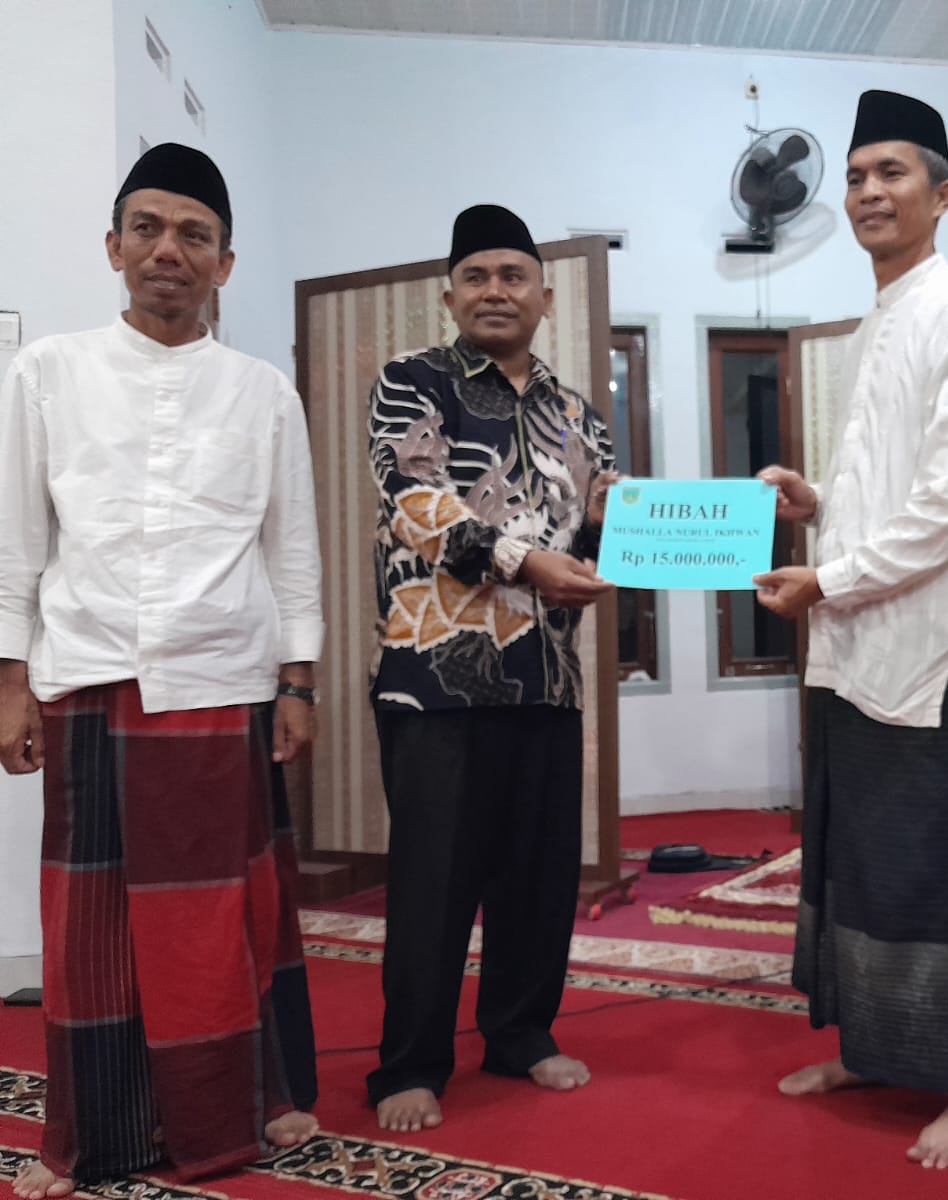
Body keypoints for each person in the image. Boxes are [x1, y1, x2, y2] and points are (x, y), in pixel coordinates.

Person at [0, 143, 323, 1195]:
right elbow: (17, 541)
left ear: (225, 263)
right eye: (147, 228)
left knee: (223, 920)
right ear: (113, 246)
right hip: (88, 677)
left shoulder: (263, 392)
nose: (168, 251)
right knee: (91, 931)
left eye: (194, 235)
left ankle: (245, 1107)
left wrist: (299, 681)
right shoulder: (47, 373)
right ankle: (92, 1136)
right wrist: (9, 680)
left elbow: (292, 549)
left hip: (222, 682)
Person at [753, 89, 948, 1170]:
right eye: (858, 175)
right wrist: (816, 505)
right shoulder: (880, 317)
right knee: (859, 860)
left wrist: (829, 578)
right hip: (854, 645)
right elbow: (889, 488)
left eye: (891, 173)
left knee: (939, 870)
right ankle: (875, 1049)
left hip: (927, 656)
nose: (868, 191)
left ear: (942, 195)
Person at [364, 204, 617, 1133]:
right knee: (433, 884)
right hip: (436, 680)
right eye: (476, 277)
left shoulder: (579, 416)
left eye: (514, 276)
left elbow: (600, 534)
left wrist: (678, 524)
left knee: (538, 878)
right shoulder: (412, 383)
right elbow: (417, 503)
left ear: (545, 298)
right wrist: (524, 560)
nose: (495, 292)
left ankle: (519, 1034)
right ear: (450, 297)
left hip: (546, 679)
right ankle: (409, 1065)